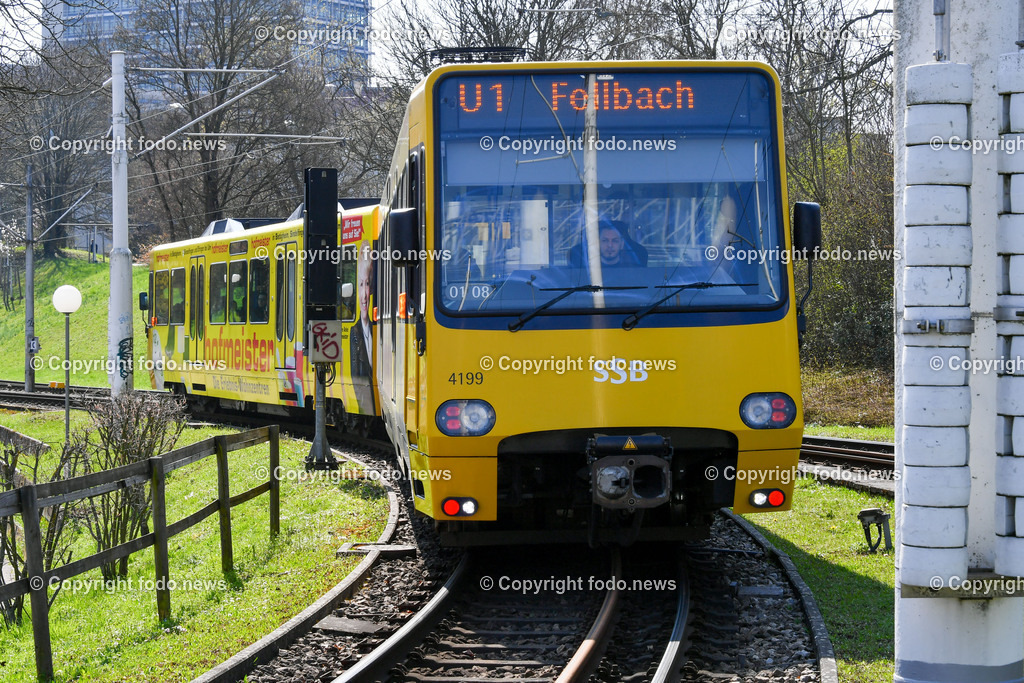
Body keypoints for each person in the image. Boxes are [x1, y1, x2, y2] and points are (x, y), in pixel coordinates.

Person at [350, 244, 375, 411]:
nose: (364, 294)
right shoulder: (355, 333)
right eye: (360, 285)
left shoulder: (380, 330)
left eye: (367, 284)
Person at [569, 219, 647, 269]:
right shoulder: (586, 272)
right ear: (597, 243)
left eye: (615, 241)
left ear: (622, 244)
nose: (610, 245)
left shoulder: (635, 271)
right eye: (605, 240)